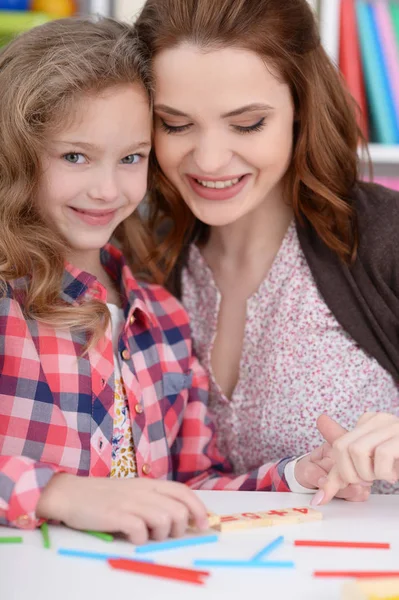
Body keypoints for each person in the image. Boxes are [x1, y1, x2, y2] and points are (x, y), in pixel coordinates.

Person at [0, 16, 312, 544]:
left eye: (130, 158)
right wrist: (56, 493)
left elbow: (197, 484)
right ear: (19, 155)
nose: (106, 189)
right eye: (74, 156)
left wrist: (301, 475)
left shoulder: (163, 316)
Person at [135, 0, 399, 501]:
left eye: (248, 123)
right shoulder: (142, 258)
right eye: (175, 124)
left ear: (302, 108)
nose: (209, 160)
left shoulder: (386, 238)